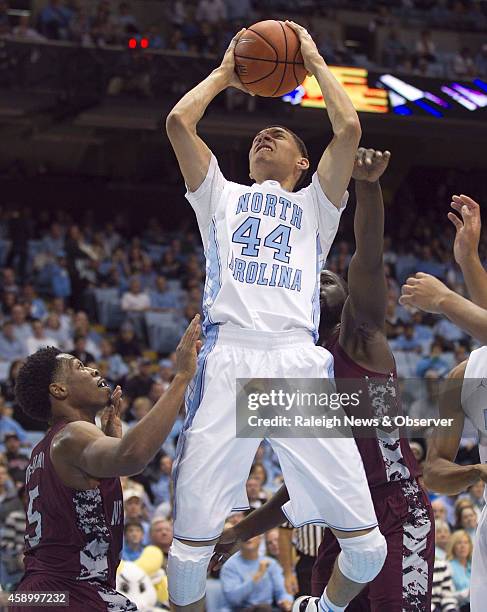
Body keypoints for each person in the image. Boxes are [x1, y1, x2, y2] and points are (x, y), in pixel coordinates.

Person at [165, 19, 386, 612]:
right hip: (229, 356)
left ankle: (319, 608)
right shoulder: (221, 195)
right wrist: (224, 73)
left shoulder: (316, 207)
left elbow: (350, 127)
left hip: (295, 361)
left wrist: (311, 56)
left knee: (369, 552)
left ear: (302, 161)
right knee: (186, 555)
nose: (264, 136)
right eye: (259, 133)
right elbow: (180, 123)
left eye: (279, 134)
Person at [212, 149, 434, 611]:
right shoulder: (299, 373)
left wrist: (369, 187)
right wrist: (240, 531)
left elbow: (369, 259)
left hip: (396, 509)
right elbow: (308, 479)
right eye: (314, 280)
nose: (321, 282)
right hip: (345, 519)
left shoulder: (360, 338)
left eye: (330, 279)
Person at [11, 316, 201, 611]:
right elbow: (132, 456)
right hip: (69, 591)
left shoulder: (45, 447)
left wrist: (109, 442)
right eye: (79, 367)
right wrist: (181, 378)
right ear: (59, 390)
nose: (93, 369)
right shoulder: (72, 434)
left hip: (43, 593)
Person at [220, 535, 293, 611]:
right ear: (239, 540)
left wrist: (286, 601)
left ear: (260, 539)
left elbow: (282, 591)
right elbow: (233, 599)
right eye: (246, 534)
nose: (249, 537)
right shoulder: (230, 566)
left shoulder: (270, 563)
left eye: (253, 534)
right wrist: (257, 576)